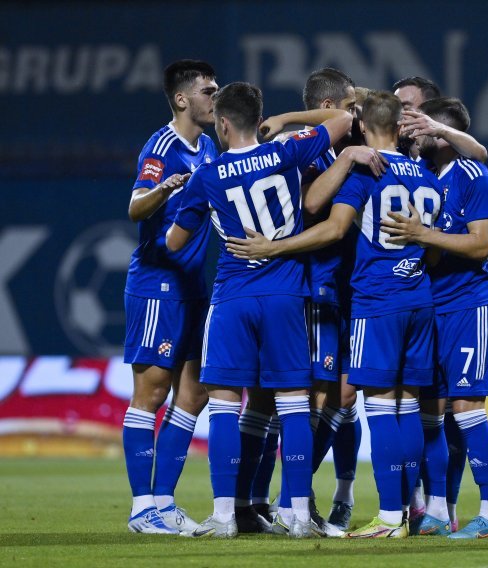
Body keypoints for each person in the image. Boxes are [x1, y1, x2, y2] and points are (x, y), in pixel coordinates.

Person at [226, 90, 443, 539]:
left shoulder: (364, 170)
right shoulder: (425, 174)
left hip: (370, 298)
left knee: (367, 404)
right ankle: (393, 510)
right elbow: (435, 240)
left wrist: (274, 246)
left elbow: (328, 221)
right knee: (399, 405)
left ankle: (375, 514)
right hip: (406, 296)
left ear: (362, 125)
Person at [165, 81, 353, 538]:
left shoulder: (207, 176)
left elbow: (174, 242)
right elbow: (346, 119)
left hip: (232, 297)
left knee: (226, 404)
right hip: (287, 295)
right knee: (293, 404)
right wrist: (289, 122)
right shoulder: (288, 152)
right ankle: (297, 514)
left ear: (223, 124)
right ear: (258, 118)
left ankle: (225, 515)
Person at [380, 97, 488, 539]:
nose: (412, 134)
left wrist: (420, 233)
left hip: (469, 306)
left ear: (441, 133)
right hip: (433, 306)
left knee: (467, 410)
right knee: (431, 414)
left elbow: (479, 245)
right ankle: (435, 509)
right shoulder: (430, 181)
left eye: (420, 127)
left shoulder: (473, 174)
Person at [123, 59, 218, 535]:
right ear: (182, 99)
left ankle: (163, 501)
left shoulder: (209, 147)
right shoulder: (162, 148)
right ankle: (142, 508)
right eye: (207, 90)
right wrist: (161, 189)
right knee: (152, 393)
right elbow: (135, 206)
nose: (214, 97)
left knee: (195, 394)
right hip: (158, 285)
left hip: (194, 287)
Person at [392, 76, 488, 164]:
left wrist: (441, 130)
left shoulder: (448, 156)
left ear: (427, 108)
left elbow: (480, 154)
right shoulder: (390, 156)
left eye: (405, 108)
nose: (396, 115)